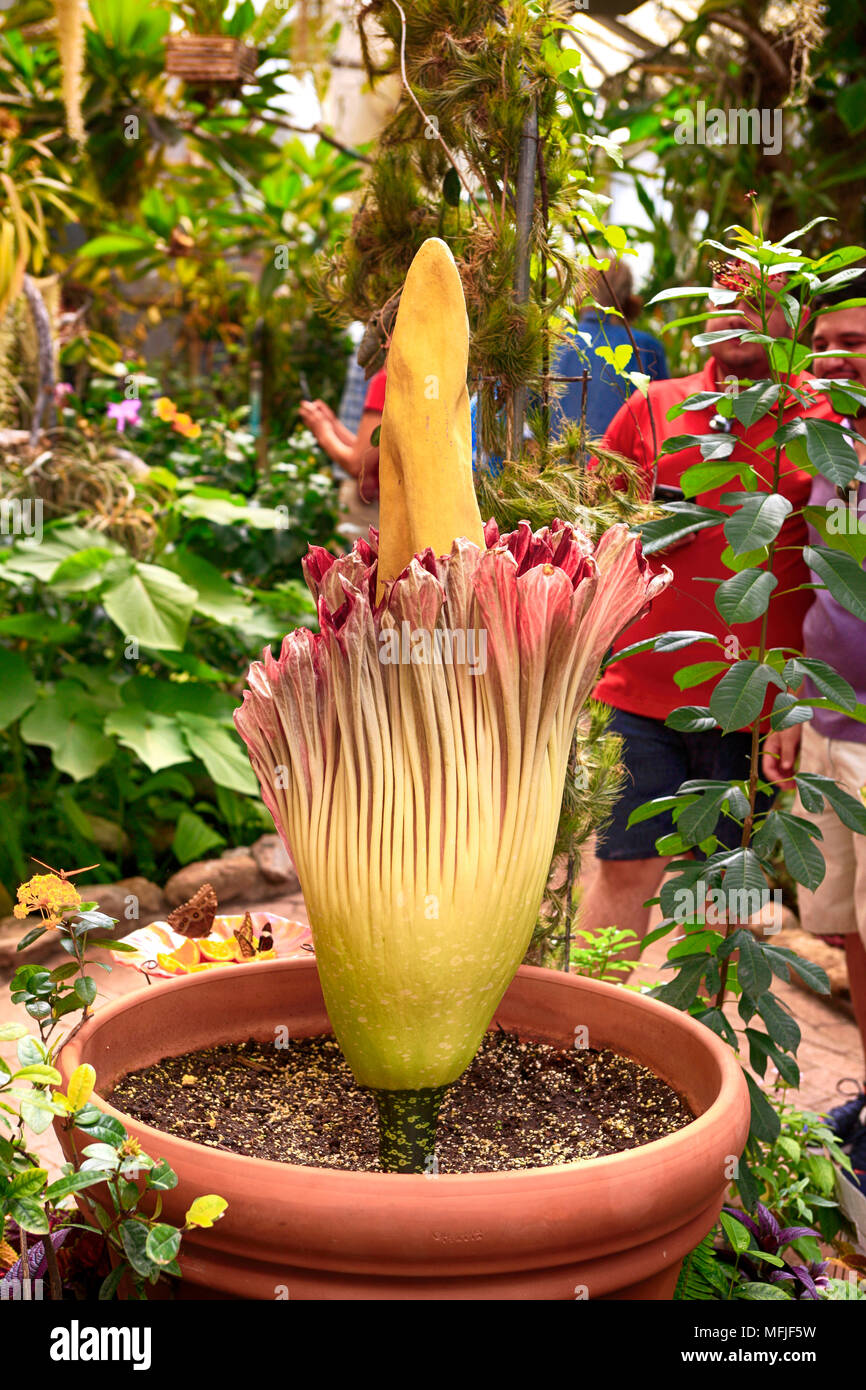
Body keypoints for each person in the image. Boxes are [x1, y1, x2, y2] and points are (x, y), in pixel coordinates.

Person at [578, 268, 837, 953]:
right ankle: (585, 1039)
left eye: (757, 304)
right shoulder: (656, 406)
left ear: (794, 319)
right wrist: (642, 520)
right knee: (623, 866)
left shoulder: (825, 422)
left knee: (729, 887)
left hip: (760, 708)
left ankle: (709, 1045)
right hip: (639, 692)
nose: (735, 316)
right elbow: (593, 523)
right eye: (723, 303)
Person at [762, 272, 866, 1178]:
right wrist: (794, 701)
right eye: (827, 342)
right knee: (847, 933)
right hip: (829, 724)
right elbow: (821, 588)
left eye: (857, 342)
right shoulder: (831, 455)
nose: (839, 357)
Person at [553, 260, 668, 439]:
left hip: (557, 462)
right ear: (626, 295)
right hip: (624, 464)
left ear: (581, 292)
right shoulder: (647, 347)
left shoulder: (553, 342)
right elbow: (661, 420)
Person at [299, 367, 385, 538]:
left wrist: (322, 431)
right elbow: (369, 450)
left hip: (376, 510)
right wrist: (331, 423)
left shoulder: (387, 379)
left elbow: (358, 464)